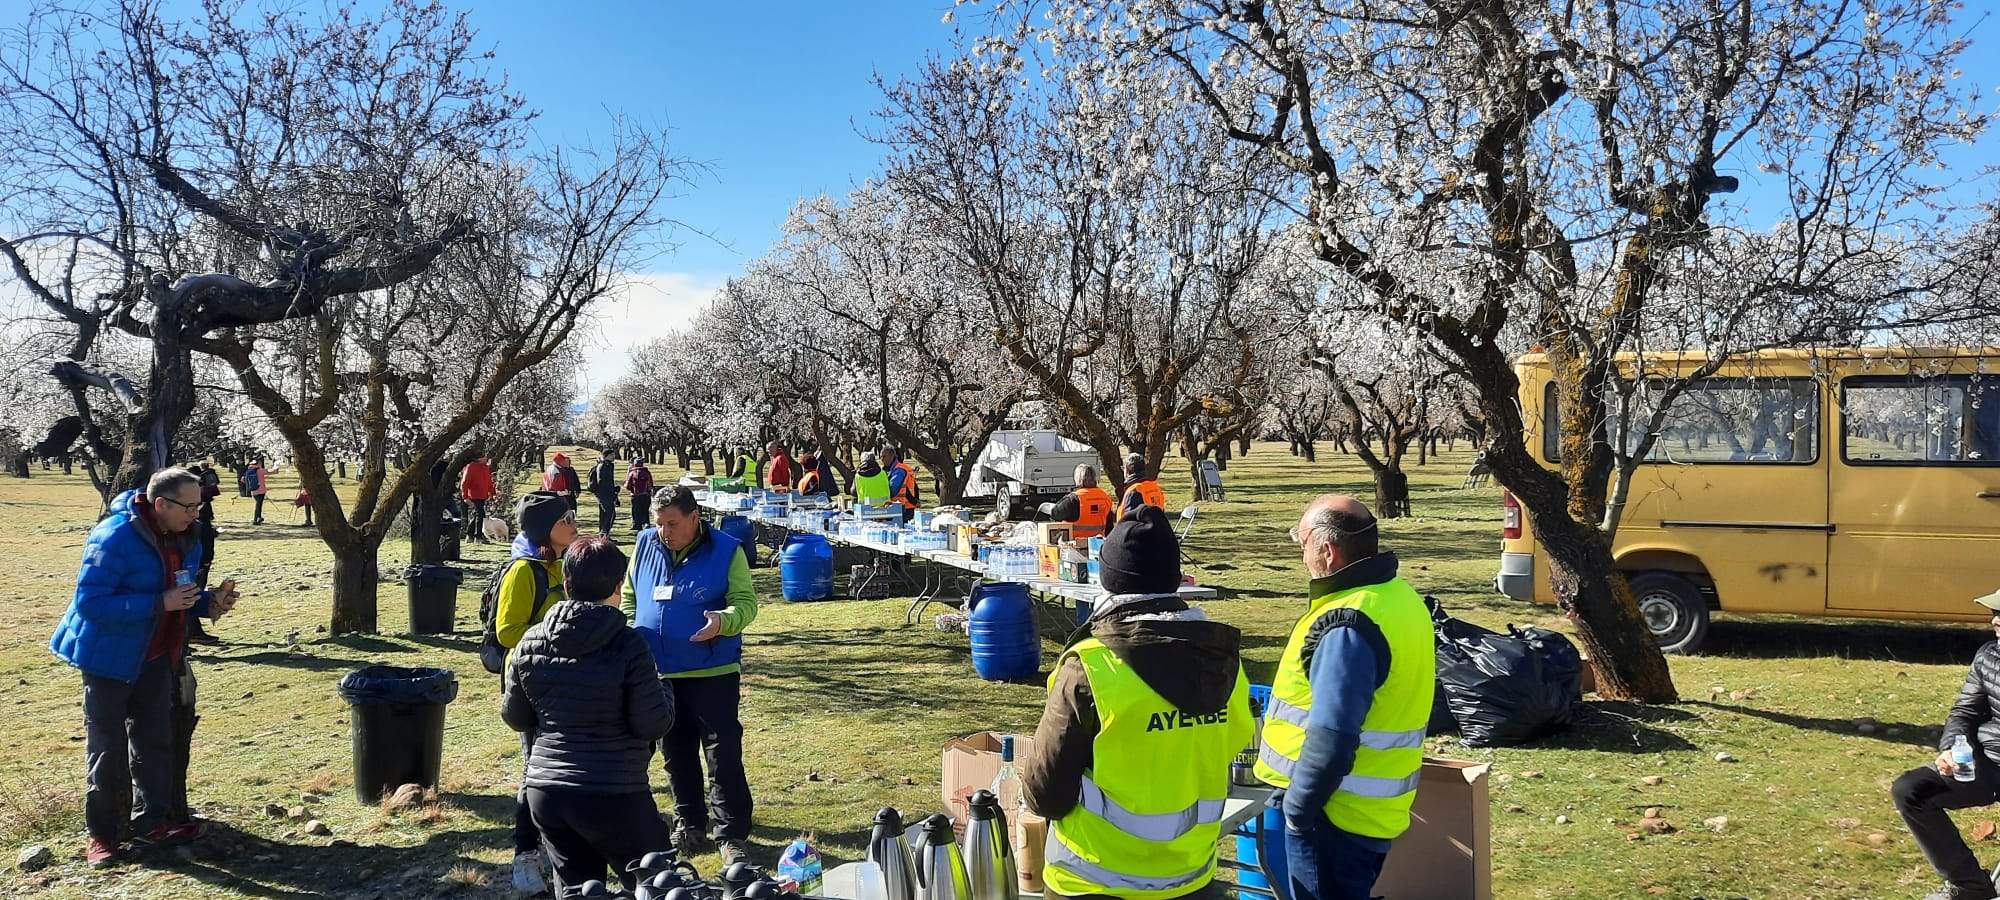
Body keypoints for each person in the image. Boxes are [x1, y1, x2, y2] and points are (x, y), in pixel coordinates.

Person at [1021, 505, 1251, 900]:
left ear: (1108, 579)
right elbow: (1229, 744)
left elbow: (1044, 792)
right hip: (1190, 875)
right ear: (1175, 579)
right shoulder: (1225, 664)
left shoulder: (1089, 668)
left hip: (1093, 880)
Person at [49, 467, 241, 868]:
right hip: (108, 658)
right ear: (161, 505)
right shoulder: (114, 536)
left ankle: (153, 822)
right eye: (190, 506)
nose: (197, 513)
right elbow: (90, 604)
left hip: (157, 655)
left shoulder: (189, 536)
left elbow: (181, 592)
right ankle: (103, 836)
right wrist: (159, 603)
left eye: (199, 505)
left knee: (154, 740)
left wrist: (209, 604)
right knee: (107, 748)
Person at [1256, 495, 1433, 900]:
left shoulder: (1347, 623)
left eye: (1301, 544)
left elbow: (1332, 736)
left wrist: (1299, 813)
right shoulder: (1400, 598)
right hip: (1366, 817)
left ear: (1327, 551)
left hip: (1329, 818)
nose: (1301, 557)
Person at [503, 536, 675, 894]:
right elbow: (652, 722)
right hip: (614, 791)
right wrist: (666, 690)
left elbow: (516, 717)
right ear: (618, 586)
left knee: (578, 889)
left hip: (548, 791)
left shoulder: (529, 642)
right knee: (658, 885)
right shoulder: (629, 645)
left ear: (566, 584)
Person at [622, 486, 759, 864]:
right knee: (675, 750)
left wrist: (724, 622)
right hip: (661, 671)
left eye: (672, 524)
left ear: (694, 518)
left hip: (712, 667)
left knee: (722, 751)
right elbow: (632, 595)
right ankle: (689, 822)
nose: (664, 532)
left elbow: (746, 603)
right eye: (659, 524)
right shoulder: (645, 544)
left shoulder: (727, 549)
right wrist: (633, 628)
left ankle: (730, 833)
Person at [1892, 588, 2000, 900]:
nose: (1995, 621)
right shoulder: (1989, 656)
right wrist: (1952, 748)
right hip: (1988, 764)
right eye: (1994, 613)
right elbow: (1965, 711)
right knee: (1909, 790)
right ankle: (1969, 886)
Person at [496, 490, 579, 894]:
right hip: (531, 684)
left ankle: (553, 845)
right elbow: (507, 631)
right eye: (567, 520)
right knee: (536, 769)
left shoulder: (562, 565)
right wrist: (554, 635)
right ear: (546, 529)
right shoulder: (524, 571)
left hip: (563, 680)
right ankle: (524, 856)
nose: (574, 526)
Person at [1042, 464, 1114, 539]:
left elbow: (1055, 513)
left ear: (1078, 479)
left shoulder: (1074, 499)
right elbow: (1110, 526)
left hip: (1075, 545)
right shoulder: (1105, 497)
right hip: (1098, 544)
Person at [1116, 454, 1166, 523]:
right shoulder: (1156, 487)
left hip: (1139, 532)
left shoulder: (1134, 491)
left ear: (1127, 470)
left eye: (1123, 468)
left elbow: (1130, 522)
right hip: (1158, 530)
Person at [461, 456, 496, 543]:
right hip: (474, 495)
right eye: (484, 457)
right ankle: (478, 536)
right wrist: (465, 496)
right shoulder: (471, 467)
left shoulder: (485, 468)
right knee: (479, 515)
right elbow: (464, 483)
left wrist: (492, 492)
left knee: (477, 515)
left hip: (482, 495)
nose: (486, 458)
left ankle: (470, 535)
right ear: (479, 458)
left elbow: (488, 481)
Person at [884, 446, 922, 518]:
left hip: (902, 504)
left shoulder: (898, 470)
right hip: (909, 505)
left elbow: (905, 488)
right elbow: (915, 486)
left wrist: (914, 501)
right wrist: (916, 501)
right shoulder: (906, 467)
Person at [587, 454, 620, 534]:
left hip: (605, 493)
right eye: (612, 455)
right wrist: (611, 491)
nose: (613, 456)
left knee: (605, 514)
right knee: (610, 513)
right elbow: (602, 481)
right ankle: (604, 533)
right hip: (604, 494)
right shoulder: (603, 466)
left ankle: (603, 534)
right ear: (607, 456)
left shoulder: (607, 465)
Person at [625, 457, 655, 532]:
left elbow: (628, 485)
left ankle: (636, 525)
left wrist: (632, 490)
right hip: (645, 495)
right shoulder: (647, 472)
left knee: (636, 510)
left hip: (635, 496)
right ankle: (646, 523)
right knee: (645, 510)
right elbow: (651, 484)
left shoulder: (632, 473)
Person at [245, 457, 270, 524]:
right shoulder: (260, 470)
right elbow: (271, 472)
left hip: (253, 490)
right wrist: (276, 466)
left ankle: (258, 518)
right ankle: (256, 519)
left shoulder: (249, 469)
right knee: (259, 505)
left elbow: (242, 479)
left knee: (258, 504)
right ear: (258, 463)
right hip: (261, 490)